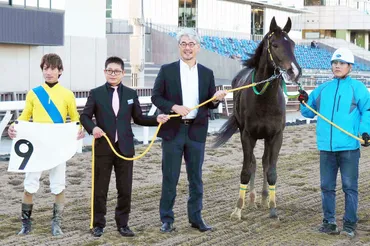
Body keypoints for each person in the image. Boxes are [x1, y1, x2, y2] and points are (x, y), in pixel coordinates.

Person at [80, 56, 169, 238]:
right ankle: (98, 224)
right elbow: (85, 117)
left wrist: (156, 119)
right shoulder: (95, 93)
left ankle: (123, 224)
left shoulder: (130, 94)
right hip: (104, 148)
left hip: (126, 148)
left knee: (125, 188)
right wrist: (93, 128)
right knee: (100, 188)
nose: (113, 74)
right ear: (105, 72)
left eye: (117, 71)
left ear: (123, 73)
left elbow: (139, 118)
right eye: (109, 71)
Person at [151, 28, 227, 233]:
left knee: (196, 178)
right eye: (184, 43)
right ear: (179, 47)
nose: (187, 48)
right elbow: (156, 97)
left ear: (198, 48)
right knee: (170, 177)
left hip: (196, 132)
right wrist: (173, 107)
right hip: (173, 131)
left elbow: (209, 104)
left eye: (191, 44)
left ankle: (196, 218)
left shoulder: (207, 73)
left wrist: (217, 99)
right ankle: (167, 219)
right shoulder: (167, 70)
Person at [7, 53, 85, 236]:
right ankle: (26, 224)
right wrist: (13, 126)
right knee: (30, 184)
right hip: (36, 146)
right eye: (45, 68)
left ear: (60, 71)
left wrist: (81, 129)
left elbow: (75, 118)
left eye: (52, 68)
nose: (48, 72)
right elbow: (25, 117)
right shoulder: (34, 93)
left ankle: (56, 223)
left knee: (58, 185)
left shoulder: (67, 94)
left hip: (57, 146)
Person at [298, 47, 370, 238]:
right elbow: (307, 112)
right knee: (327, 187)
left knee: (349, 187)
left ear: (350, 67)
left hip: (349, 148)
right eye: (334, 63)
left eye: (341, 63)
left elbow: (367, 111)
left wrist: (365, 132)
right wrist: (303, 100)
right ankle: (329, 222)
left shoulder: (358, 88)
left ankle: (349, 224)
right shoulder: (323, 89)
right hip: (326, 148)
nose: (337, 66)